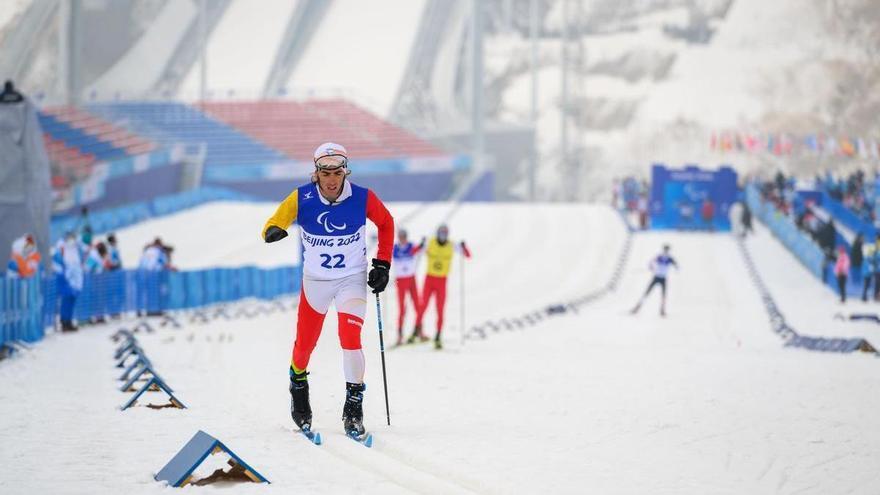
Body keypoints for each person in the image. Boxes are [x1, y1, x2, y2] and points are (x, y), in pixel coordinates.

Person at [262, 142, 394, 438]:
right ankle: (298, 383)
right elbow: (274, 221)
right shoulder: (301, 197)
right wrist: (273, 231)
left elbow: (386, 223)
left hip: (352, 279)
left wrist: (382, 264)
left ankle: (354, 405)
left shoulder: (362, 197)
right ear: (316, 173)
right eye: (325, 173)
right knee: (305, 345)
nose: (332, 180)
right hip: (316, 282)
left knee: (350, 338)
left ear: (345, 172)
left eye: (337, 173)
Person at [408, 224, 471, 350]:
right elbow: (412, 252)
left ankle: (438, 335)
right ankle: (416, 330)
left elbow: (468, 255)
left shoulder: (452, 245)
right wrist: (421, 244)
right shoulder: (430, 243)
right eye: (441, 232)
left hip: (442, 281)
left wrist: (464, 247)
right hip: (429, 280)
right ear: (437, 233)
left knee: (440, 309)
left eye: (445, 233)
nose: (443, 235)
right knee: (423, 306)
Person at [392, 228, 423, 346]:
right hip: (401, 281)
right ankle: (400, 335)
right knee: (402, 308)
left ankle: (419, 331)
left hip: (411, 279)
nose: (402, 239)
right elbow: (384, 254)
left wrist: (422, 244)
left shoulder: (411, 246)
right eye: (401, 236)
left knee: (418, 305)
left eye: (404, 236)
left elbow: (419, 249)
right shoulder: (394, 248)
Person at [630, 244, 679, 317]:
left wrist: (676, 268)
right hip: (656, 277)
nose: (666, 251)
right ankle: (637, 307)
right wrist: (651, 267)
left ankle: (662, 310)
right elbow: (651, 262)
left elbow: (676, 265)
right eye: (665, 249)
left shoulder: (670, 258)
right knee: (647, 292)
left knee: (663, 295)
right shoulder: (659, 256)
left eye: (667, 250)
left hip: (663, 278)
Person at [53, 232, 84, 332]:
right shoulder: (61, 249)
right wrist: (64, 275)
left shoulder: (75, 249)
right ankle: (64, 322)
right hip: (65, 279)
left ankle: (69, 321)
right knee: (66, 301)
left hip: (74, 281)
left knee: (72, 301)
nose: (72, 240)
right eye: (70, 238)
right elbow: (57, 264)